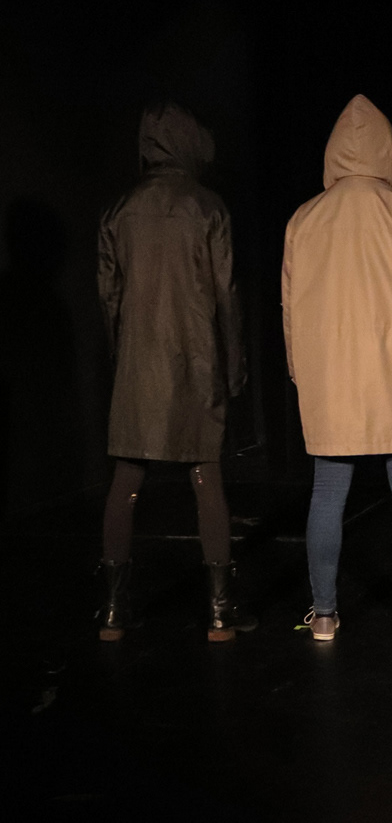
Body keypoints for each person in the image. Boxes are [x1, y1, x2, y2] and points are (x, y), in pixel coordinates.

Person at [282, 95, 392, 642]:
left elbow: (289, 309)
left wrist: (300, 374)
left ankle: (324, 615)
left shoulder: (302, 219)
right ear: (390, 152)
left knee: (327, 492)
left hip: (328, 378)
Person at [96, 101, 256, 643]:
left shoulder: (119, 210)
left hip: (138, 365)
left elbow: (108, 298)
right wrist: (233, 368)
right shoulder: (207, 207)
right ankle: (219, 613)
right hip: (197, 361)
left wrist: (122, 361)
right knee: (206, 476)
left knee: (126, 478)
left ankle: (113, 613)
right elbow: (226, 296)